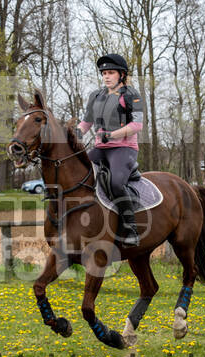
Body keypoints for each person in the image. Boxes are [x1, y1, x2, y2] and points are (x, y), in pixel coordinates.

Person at [77, 53, 145, 247]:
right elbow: (87, 121)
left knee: (115, 183)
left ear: (121, 75)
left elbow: (137, 125)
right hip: (100, 148)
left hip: (124, 148)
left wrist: (113, 135)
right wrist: (77, 132)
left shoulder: (131, 95)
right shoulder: (96, 96)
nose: (106, 76)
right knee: (78, 174)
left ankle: (130, 227)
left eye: (111, 73)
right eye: (104, 73)